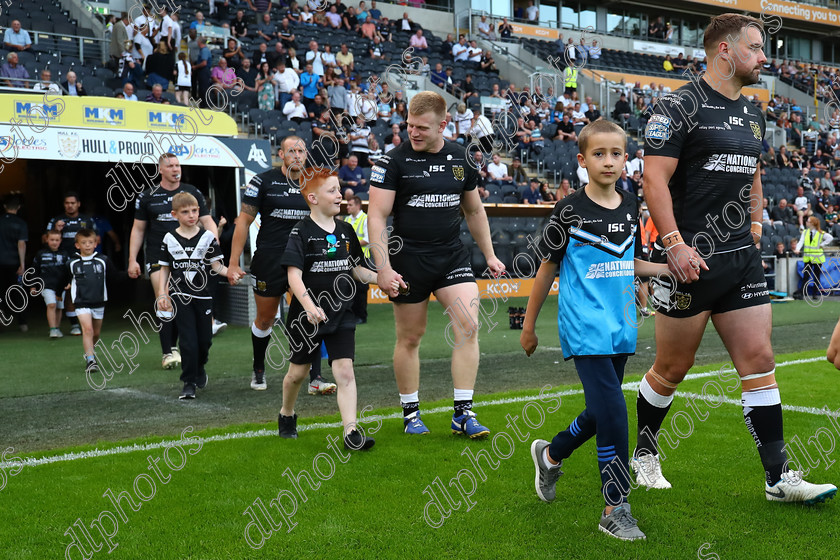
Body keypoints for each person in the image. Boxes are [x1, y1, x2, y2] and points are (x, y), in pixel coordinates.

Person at [634, 13, 836, 503]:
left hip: (742, 258)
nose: (765, 57)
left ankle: (778, 479)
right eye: (755, 47)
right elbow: (654, 180)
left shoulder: (753, 113)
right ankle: (644, 452)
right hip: (691, 261)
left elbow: (756, 174)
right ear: (724, 50)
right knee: (671, 369)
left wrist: (758, 225)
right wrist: (674, 244)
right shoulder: (677, 106)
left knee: (760, 360)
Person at [523, 120, 669, 541]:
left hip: (621, 323)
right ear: (582, 160)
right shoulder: (568, 209)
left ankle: (550, 455)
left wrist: (663, 268)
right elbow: (547, 268)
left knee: (599, 411)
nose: (609, 161)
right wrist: (529, 326)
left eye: (617, 153)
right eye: (599, 154)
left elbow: (632, 263)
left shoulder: (630, 204)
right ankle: (615, 506)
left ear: (627, 159)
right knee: (614, 412)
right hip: (583, 324)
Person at [368, 91, 505, 436]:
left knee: (468, 327)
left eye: (422, 128)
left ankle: (463, 413)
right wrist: (382, 267)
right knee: (411, 337)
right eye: (409, 126)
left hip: (451, 257)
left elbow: (474, 210)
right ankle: (411, 414)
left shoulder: (461, 159)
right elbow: (377, 215)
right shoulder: (392, 162)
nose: (412, 133)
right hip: (407, 260)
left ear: (443, 125)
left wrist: (489, 254)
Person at [277, 169, 379, 449]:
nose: (340, 195)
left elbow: (358, 269)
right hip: (305, 318)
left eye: (339, 189)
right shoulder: (301, 231)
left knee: (345, 372)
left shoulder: (346, 230)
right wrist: (309, 307)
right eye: (332, 190)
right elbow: (293, 276)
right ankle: (287, 414)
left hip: (341, 313)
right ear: (312, 197)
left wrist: (383, 279)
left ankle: (351, 432)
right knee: (297, 374)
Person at [226, 137, 336, 394]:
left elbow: (327, 219)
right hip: (270, 259)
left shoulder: (315, 182)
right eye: (291, 151)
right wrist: (233, 264)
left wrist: (331, 253)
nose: (297, 155)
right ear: (281, 154)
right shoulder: (262, 181)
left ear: (306, 154)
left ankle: (316, 377)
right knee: (265, 319)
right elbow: (242, 222)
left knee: (313, 313)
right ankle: (259, 368)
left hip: (307, 260)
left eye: (301, 150)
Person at [128, 154, 218, 370]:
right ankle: (167, 352)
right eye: (170, 166)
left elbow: (208, 222)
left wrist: (213, 246)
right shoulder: (147, 196)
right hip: (159, 258)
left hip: (190, 260)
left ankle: (177, 346)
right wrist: (132, 259)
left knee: (183, 301)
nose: (175, 169)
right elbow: (138, 229)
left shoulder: (192, 192)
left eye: (178, 165)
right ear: (161, 169)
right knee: (165, 297)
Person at [158, 193, 228, 400]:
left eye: (195, 210)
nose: (191, 215)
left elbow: (217, 266)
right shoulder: (169, 239)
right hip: (180, 296)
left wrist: (231, 272)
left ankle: (199, 367)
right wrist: (163, 293)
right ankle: (188, 382)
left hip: (204, 297)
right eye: (185, 212)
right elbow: (164, 269)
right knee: (188, 342)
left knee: (204, 341)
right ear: (174, 214)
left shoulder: (207, 237)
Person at [65, 229, 125, 374]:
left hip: (99, 301)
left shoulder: (103, 260)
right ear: (77, 245)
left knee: (96, 333)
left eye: (90, 242)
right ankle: (91, 360)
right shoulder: (71, 262)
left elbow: (115, 277)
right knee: (88, 330)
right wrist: (62, 287)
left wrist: (130, 274)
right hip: (81, 302)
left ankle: (90, 351)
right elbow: (64, 278)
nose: (87, 245)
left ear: (96, 243)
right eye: (84, 243)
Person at [47, 192, 99, 336]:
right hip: (62, 263)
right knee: (66, 292)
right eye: (67, 203)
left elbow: (97, 238)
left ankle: (88, 323)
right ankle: (73, 325)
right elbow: (45, 239)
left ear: (78, 204)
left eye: (72, 203)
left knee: (82, 292)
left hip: (83, 262)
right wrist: (56, 230)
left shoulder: (86, 220)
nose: (70, 206)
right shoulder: (56, 220)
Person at [32, 230, 70, 338]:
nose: (54, 242)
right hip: (46, 285)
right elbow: (34, 270)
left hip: (60, 286)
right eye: (52, 240)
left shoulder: (64, 254)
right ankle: (52, 329)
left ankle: (57, 328)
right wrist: (33, 285)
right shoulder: (41, 254)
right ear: (46, 240)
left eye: (57, 240)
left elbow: (69, 271)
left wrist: (68, 283)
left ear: (60, 241)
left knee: (59, 307)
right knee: (51, 304)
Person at [0, 194, 28, 331]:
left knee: (1, 292)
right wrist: (22, 264)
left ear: (4, 206)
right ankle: (23, 323)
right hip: (14, 263)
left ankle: (2, 320)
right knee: (18, 291)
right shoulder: (21, 223)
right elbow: (21, 244)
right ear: (19, 207)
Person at [345, 195, 371, 324]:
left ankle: (361, 316)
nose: (347, 207)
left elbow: (367, 239)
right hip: (349, 259)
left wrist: (351, 244)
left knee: (361, 289)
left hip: (362, 259)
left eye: (350, 205)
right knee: (350, 288)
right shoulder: (347, 219)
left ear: (358, 205)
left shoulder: (365, 219)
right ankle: (353, 315)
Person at [796, 215, 833, 297]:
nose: (806, 223)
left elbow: (830, 238)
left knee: (817, 276)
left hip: (817, 258)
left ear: (812, 223)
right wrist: (797, 249)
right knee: (806, 276)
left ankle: (815, 294)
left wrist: (822, 245)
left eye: (808, 222)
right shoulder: (805, 232)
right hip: (808, 258)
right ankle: (803, 293)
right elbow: (801, 242)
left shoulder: (820, 233)